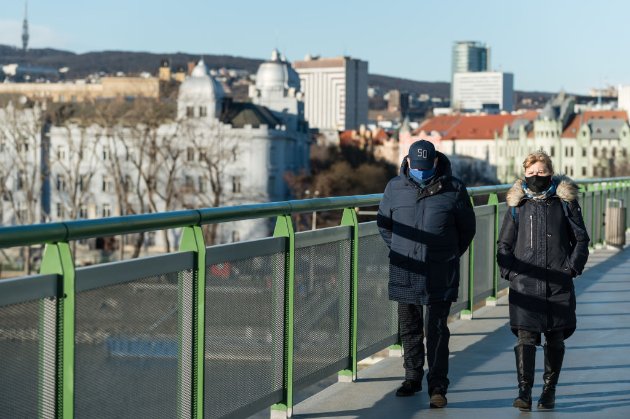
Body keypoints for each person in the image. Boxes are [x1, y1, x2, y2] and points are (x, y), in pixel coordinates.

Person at [377, 140, 476, 408]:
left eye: (426, 166)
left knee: (437, 330)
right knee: (408, 327)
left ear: (435, 162)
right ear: (408, 162)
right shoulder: (394, 188)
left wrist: (449, 254)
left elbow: (467, 229)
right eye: (416, 166)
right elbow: (384, 224)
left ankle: (438, 386)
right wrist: (401, 249)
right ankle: (412, 377)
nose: (421, 171)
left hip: (440, 269)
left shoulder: (454, 188)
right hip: (405, 269)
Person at [497, 151, 589, 411]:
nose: (536, 177)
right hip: (524, 286)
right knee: (525, 338)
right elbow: (504, 245)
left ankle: (549, 391)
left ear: (550, 173)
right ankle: (523, 392)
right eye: (531, 173)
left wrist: (571, 268)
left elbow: (581, 239)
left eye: (541, 172)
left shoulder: (565, 202)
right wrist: (511, 273)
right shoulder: (518, 205)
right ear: (524, 174)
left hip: (558, 283)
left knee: (555, 339)